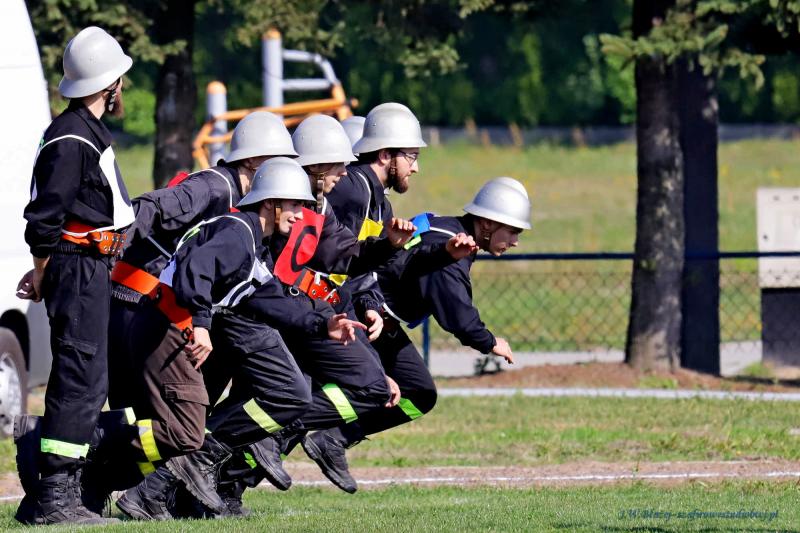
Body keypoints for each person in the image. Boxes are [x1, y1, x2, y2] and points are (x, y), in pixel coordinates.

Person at [114, 157, 366, 520]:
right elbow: (194, 271)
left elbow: (269, 297)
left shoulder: (253, 241)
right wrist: (202, 324)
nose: (300, 215)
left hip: (174, 328)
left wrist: (321, 323)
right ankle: (96, 448)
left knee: (190, 429)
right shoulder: (237, 232)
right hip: (165, 328)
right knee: (185, 431)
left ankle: (154, 490)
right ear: (270, 203)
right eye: (294, 205)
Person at [311, 177, 530, 493]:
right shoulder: (453, 248)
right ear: (486, 223)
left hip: (374, 314)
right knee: (392, 390)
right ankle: (295, 434)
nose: (516, 241)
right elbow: (455, 312)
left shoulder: (446, 229)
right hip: (365, 315)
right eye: (513, 231)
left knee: (417, 392)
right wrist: (490, 341)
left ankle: (330, 437)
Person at [15, 26, 134, 526]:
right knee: (79, 379)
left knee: (89, 378)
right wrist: (43, 271)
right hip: (78, 269)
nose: (122, 87)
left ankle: (52, 491)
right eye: (120, 79)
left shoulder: (82, 131)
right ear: (109, 86)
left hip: (86, 267)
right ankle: (55, 497)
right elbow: (45, 218)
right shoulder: (71, 139)